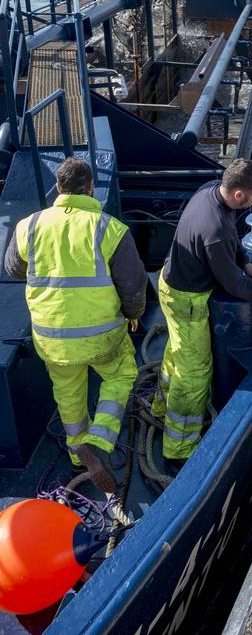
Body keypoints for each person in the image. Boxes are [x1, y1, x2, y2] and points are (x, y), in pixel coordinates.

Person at [4, 158, 146, 491]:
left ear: (58, 188)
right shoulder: (109, 228)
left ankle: (77, 453)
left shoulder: (29, 225)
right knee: (120, 375)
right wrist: (133, 312)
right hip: (101, 335)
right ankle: (98, 442)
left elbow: (12, 268)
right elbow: (132, 282)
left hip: (51, 337)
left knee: (68, 392)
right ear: (90, 187)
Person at [151, 159, 252, 462]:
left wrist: (245, 261)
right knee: (195, 372)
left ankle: (159, 406)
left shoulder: (210, 190)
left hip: (169, 281)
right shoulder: (214, 231)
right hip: (187, 300)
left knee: (177, 351)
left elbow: (230, 236)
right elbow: (236, 286)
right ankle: (179, 446)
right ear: (240, 195)